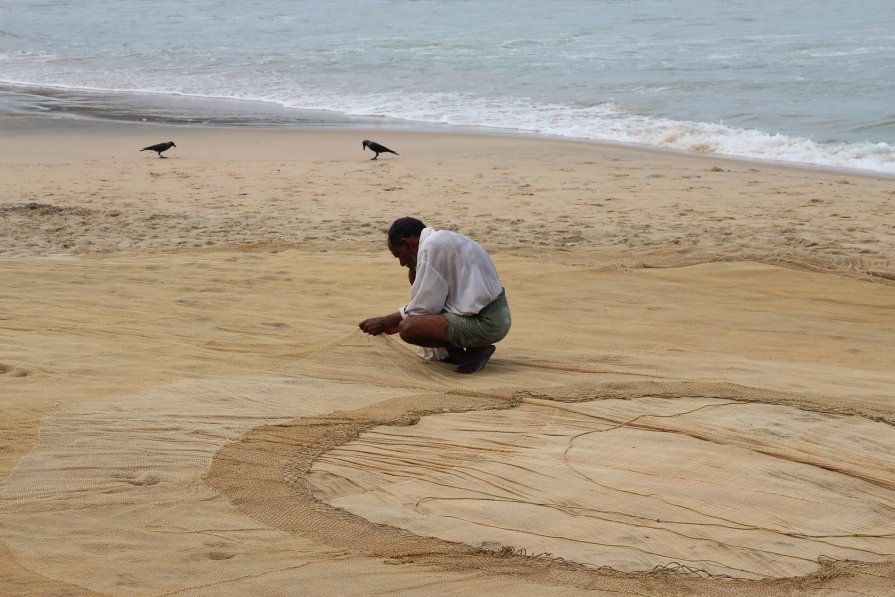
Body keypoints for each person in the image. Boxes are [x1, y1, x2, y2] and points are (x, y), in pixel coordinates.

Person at [359, 217, 511, 374]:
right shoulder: (439, 239)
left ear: (407, 243)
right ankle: (459, 355)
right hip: (492, 316)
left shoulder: (433, 245)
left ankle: (478, 348)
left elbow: (425, 307)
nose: (401, 263)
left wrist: (386, 322)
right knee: (414, 274)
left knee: (408, 328)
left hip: (488, 321)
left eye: (398, 255)